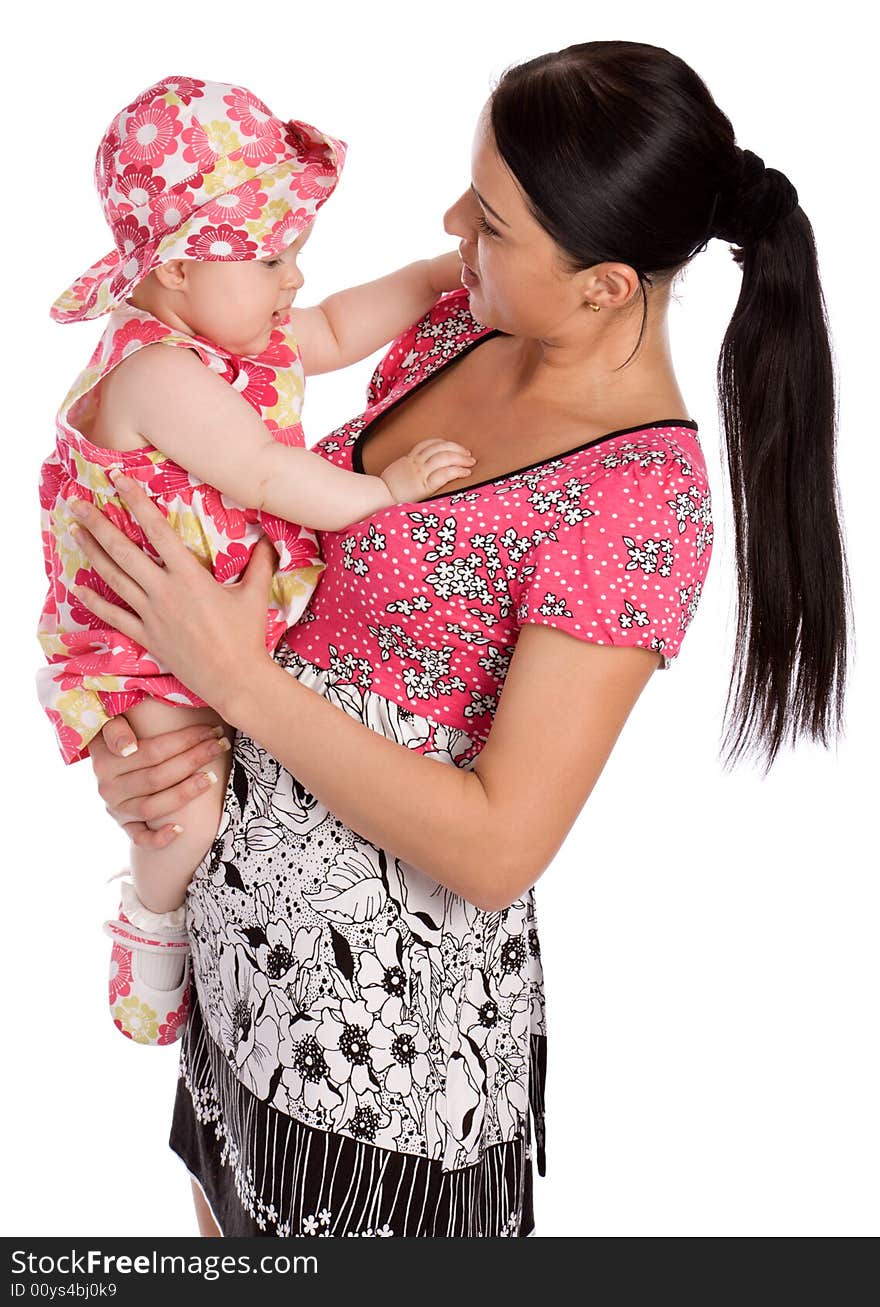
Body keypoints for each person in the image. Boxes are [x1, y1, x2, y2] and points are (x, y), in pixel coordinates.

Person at [70, 40, 849, 1238]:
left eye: (488, 221)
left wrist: (231, 674)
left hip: (379, 1058)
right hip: (243, 962)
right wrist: (156, 742)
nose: (447, 228)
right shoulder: (464, 329)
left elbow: (495, 850)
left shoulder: (636, 500)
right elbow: (302, 563)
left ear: (602, 285)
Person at [36, 76, 472, 1044]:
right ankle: (150, 916)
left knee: (248, 780)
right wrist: (387, 493)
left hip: (215, 624)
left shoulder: (234, 334)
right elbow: (266, 472)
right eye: (273, 257)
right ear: (183, 265)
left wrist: (434, 276)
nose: (294, 282)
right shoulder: (155, 372)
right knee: (183, 804)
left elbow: (337, 329)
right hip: (138, 641)